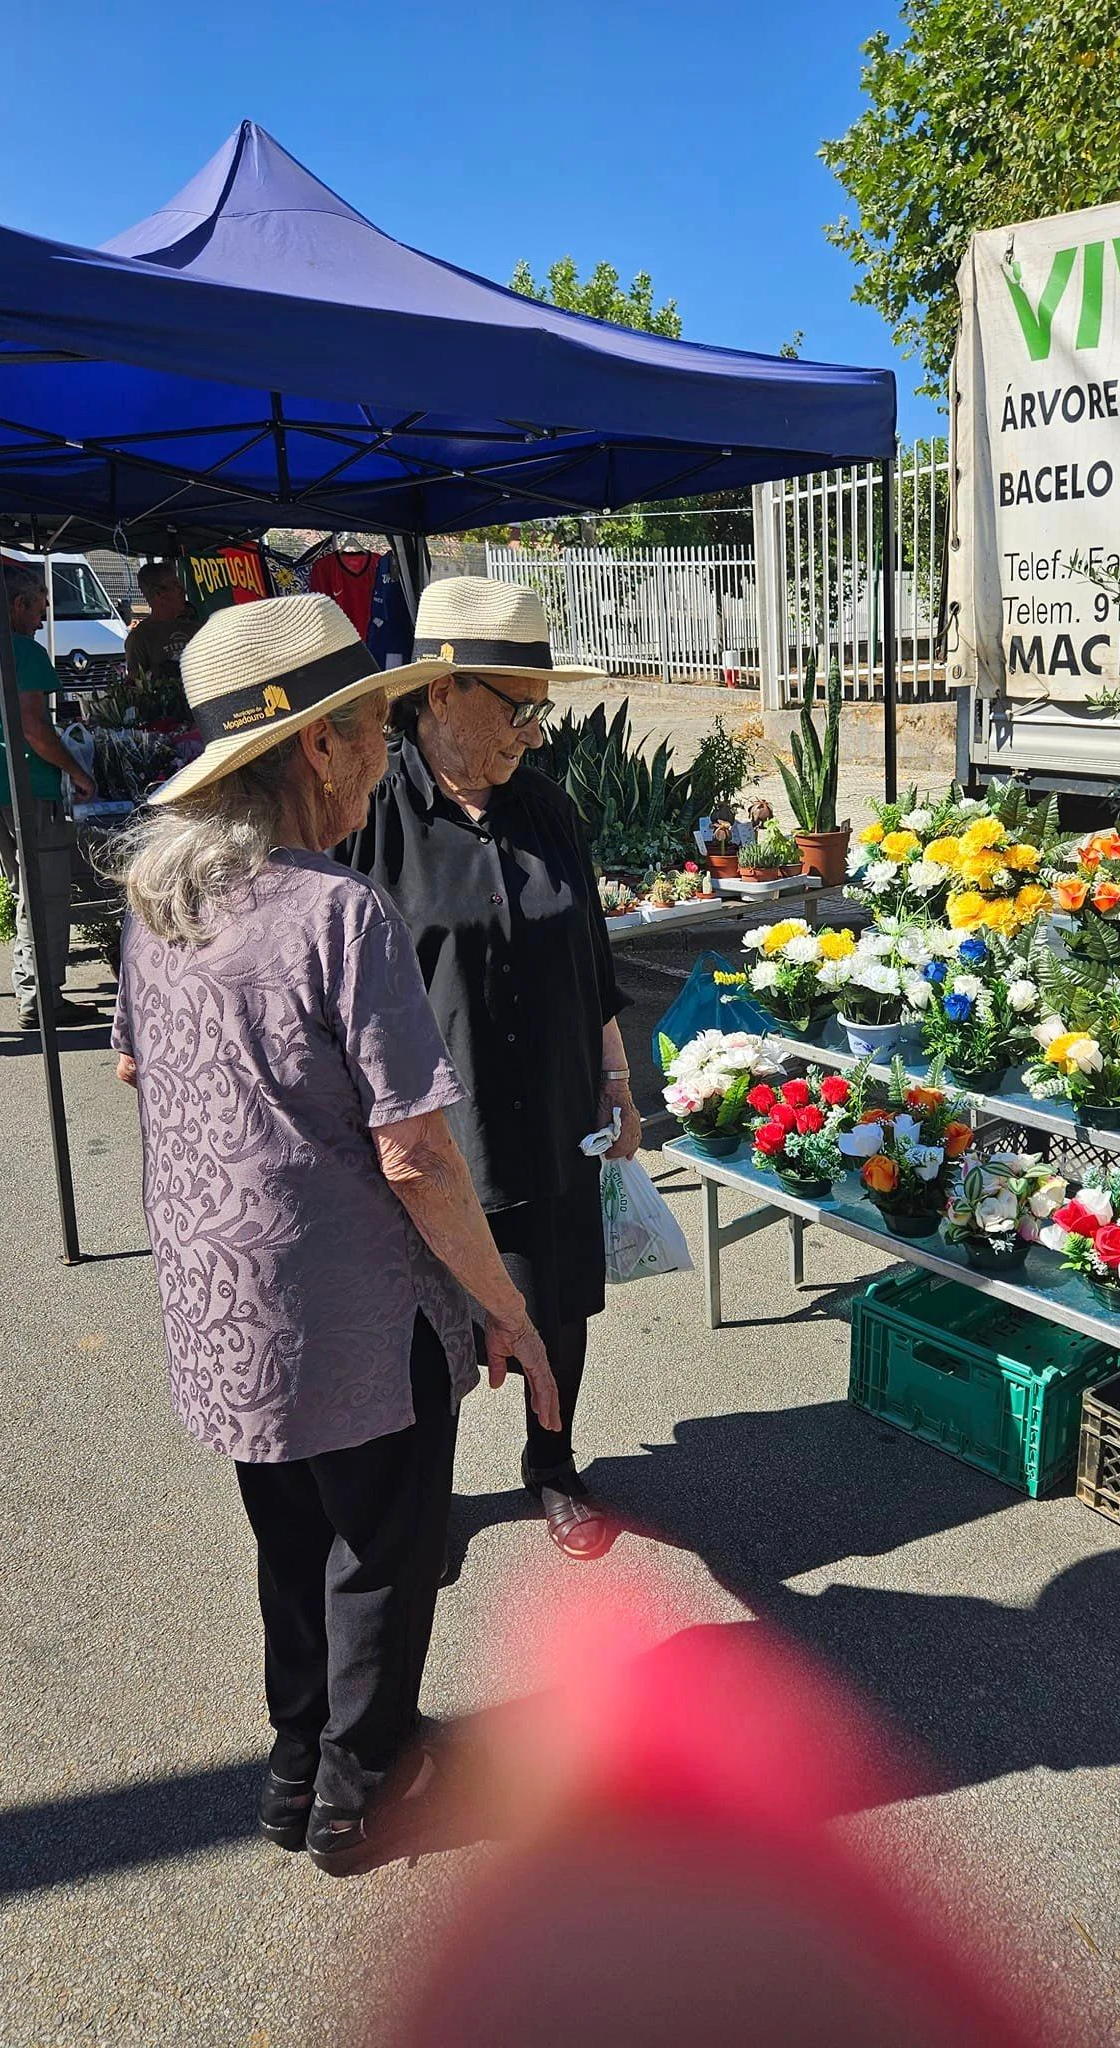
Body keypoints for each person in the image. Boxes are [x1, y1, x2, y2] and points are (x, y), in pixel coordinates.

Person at [110, 592, 559, 1876]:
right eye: (372, 726)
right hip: (349, 1313)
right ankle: (365, 1786)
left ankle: (295, 1757)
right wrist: (507, 1310)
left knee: (290, 1536)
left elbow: (141, 1072)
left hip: (221, 1304)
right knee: (382, 1548)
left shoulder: (161, 902)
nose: (387, 750)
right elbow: (416, 1152)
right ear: (318, 746)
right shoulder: (336, 912)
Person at [342, 576, 641, 1562]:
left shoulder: (549, 810)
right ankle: (424, 1501)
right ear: (440, 694)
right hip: (435, 1138)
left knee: (555, 1307)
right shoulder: (371, 816)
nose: (535, 731)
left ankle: (553, 1463)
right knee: (429, 1335)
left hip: (555, 1119)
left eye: (539, 707)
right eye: (518, 707)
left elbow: (594, 955)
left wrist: (618, 1083)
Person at [0, 562, 97, 1029]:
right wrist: (76, 771)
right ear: (17, 604)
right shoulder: (22, 651)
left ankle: (34, 990)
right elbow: (34, 729)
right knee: (44, 893)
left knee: (24, 889)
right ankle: (41, 997)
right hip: (27, 783)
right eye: (40, 608)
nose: (43, 620)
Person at [125, 560, 199, 689]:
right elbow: (134, 687)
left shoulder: (195, 628)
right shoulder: (140, 638)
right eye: (175, 585)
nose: (183, 591)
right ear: (159, 593)